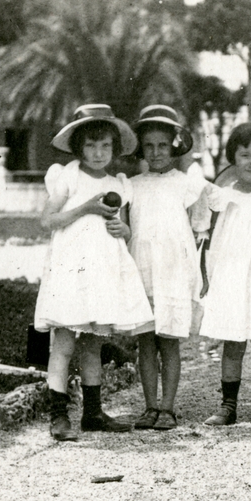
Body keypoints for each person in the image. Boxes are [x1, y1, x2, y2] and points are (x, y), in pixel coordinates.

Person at [34, 104, 153, 442]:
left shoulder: (118, 184)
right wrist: (85, 207)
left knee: (93, 345)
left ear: (115, 148)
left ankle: (93, 413)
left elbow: (125, 229)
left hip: (102, 271)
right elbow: (47, 220)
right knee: (63, 344)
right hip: (71, 270)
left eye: (105, 146)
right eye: (91, 145)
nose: (99, 153)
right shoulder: (69, 175)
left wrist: (121, 229)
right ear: (78, 147)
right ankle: (58, 416)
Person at [127, 105, 210, 431]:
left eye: (163, 145)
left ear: (174, 146)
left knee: (169, 340)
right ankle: (150, 406)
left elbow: (200, 229)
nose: (156, 152)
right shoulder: (132, 185)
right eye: (149, 146)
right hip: (143, 268)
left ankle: (167, 407)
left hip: (174, 269)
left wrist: (201, 274)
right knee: (146, 342)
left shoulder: (186, 184)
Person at [198, 123, 251, 429]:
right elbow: (210, 237)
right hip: (230, 275)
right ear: (233, 157)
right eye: (245, 155)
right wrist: (207, 275)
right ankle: (228, 406)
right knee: (232, 341)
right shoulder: (222, 196)